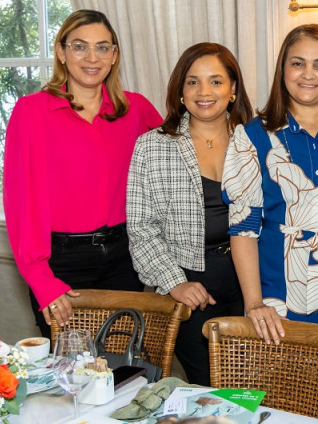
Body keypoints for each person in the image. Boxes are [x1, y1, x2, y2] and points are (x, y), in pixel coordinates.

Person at [222, 24, 318, 422]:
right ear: (282, 70)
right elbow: (243, 228)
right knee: (288, 405)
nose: (308, 74)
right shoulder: (251, 137)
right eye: (298, 63)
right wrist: (254, 303)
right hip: (280, 301)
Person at [3, 9, 162, 338]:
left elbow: (177, 160)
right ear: (61, 52)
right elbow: (21, 203)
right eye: (79, 46)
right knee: (68, 378)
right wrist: (42, 281)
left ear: (114, 55)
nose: (92, 57)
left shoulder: (135, 109)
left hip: (124, 260)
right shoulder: (32, 112)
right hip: (61, 266)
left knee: (126, 374)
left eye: (103, 47)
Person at [127, 43, 253, 385]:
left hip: (252, 285)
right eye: (193, 82)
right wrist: (174, 283)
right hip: (192, 291)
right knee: (210, 389)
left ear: (233, 90)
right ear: (180, 93)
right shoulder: (152, 146)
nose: (204, 92)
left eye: (215, 81)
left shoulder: (256, 141)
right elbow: (141, 229)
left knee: (255, 386)